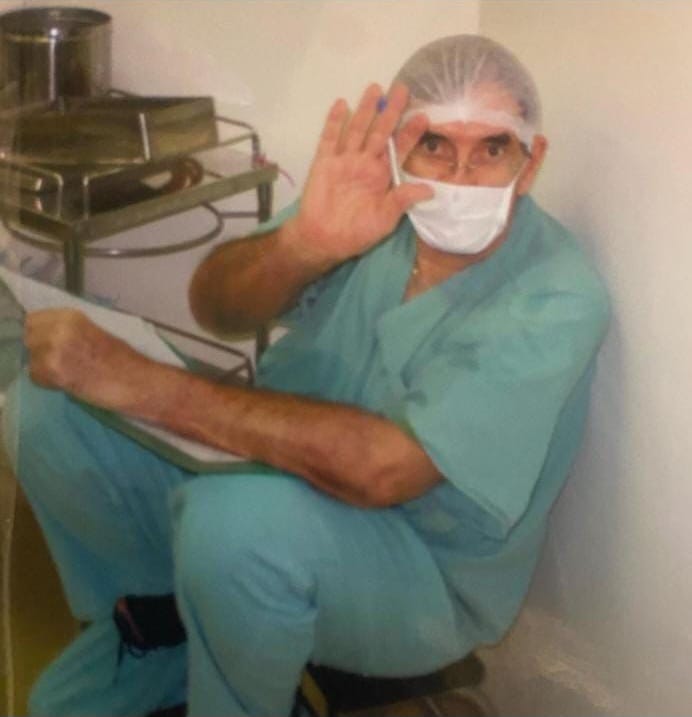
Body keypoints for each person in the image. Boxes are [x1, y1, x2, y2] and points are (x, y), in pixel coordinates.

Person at [2, 34, 609, 717]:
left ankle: (239, 674)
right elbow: (217, 306)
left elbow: (385, 469)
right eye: (434, 144)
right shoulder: (378, 207)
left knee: (233, 527)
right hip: (271, 470)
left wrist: (152, 387)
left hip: (415, 567)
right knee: (51, 413)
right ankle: (175, 627)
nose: (460, 176)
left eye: (493, 149)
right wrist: (304, 245)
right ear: (396, 147)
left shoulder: (555, 296)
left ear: (531, 163)